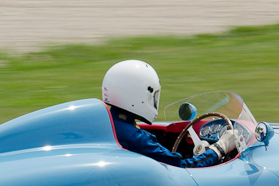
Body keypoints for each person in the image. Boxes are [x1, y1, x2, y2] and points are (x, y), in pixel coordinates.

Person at [102, 60, 238, 168]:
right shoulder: (136, 138)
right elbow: (182, 167)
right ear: (138, 95)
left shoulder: (106, 120)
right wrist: (219, 148)